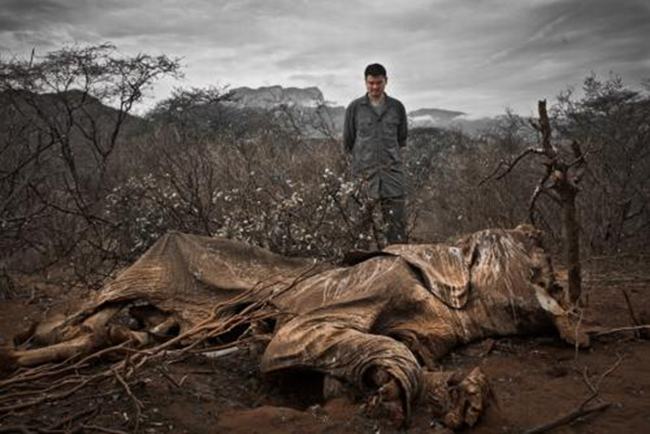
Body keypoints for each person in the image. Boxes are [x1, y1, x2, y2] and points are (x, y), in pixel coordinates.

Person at [343, 63, 408, 244]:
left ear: (386, 81)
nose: (375, 87)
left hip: (392, 175)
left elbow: (401, 139)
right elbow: (348, 142)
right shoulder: (354, 108)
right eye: (371, 83)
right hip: (363, 176)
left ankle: (398, 266)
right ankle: (359, 268)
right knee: (359, 228)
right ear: (365, 82)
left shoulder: (397, 108)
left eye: (379, 83)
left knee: (397, 228)